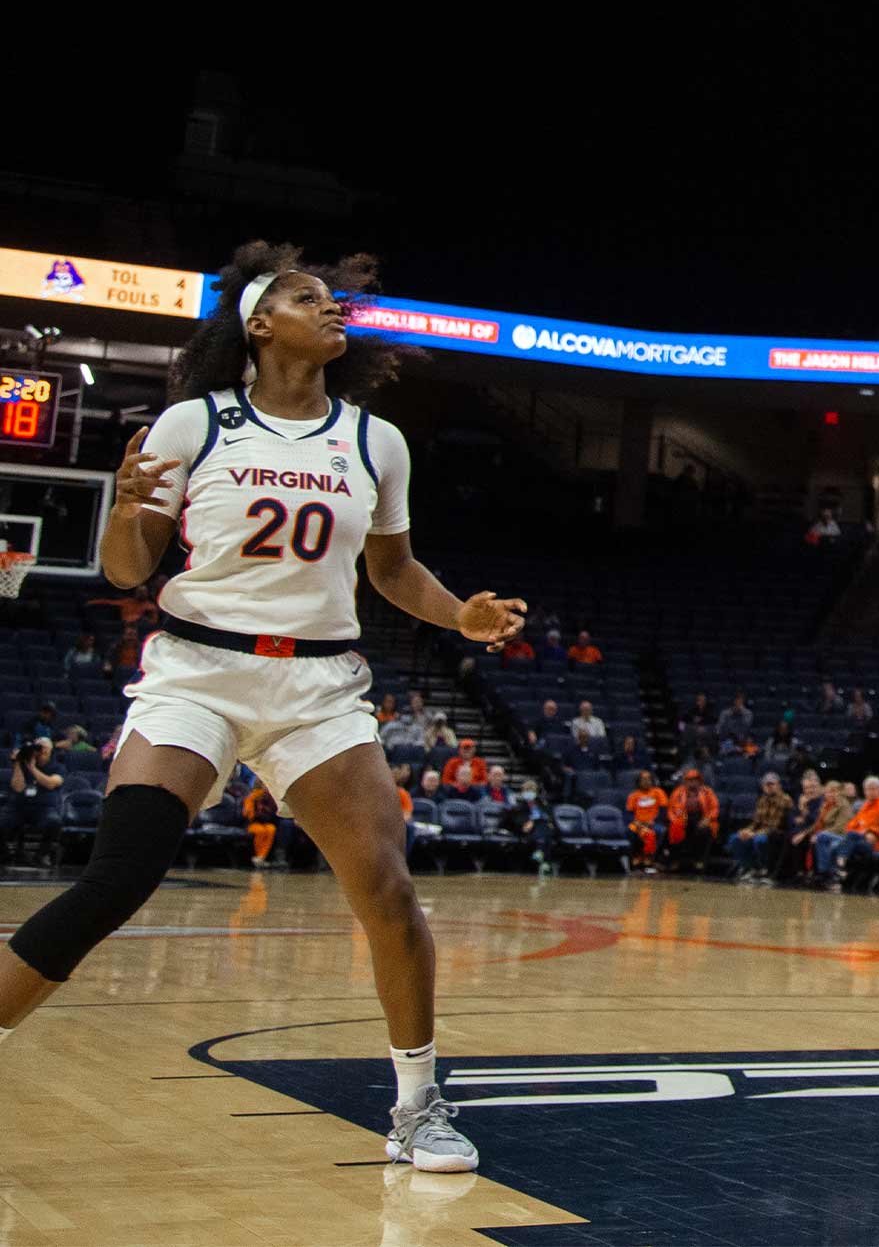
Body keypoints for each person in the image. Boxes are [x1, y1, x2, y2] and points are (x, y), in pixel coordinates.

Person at [0, 244, 526, 1177]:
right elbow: (129, 569)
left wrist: (462, 614)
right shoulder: (190, 425)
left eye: (335, 301)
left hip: (318, 689)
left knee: (390, 893)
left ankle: (416, 1108)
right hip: (197, 672)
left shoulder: (376, 440)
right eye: (306, 297)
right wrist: (124, 513)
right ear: (257, 322)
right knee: (118, 876)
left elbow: (392, 570)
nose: (333, 310)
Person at [730, 773, 791, 884]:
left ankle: (764, 870)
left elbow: (774, 825)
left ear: (778, 785)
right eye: (766, 785)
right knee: (736, 838)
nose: (769, 787)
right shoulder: (762, 799)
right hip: (761, 831)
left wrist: (754, 834)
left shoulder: (784, 800)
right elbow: (756, 822)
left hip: (777, 834)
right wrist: (747, 830)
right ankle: (749, 868)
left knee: (759, 840)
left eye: (772, 784)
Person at [666, 766, 719, 875]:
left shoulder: (707, 791)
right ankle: (675, 861)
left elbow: (715, 808)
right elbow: (670, 810)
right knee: (675, 829)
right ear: (685, 781)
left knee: (704, 831)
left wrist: (707, 819)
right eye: (689, 780)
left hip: (702, 818)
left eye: (695, 780)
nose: (692, 782)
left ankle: (700, 861)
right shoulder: (678, 792)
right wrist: (676, 820)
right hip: (682, 818)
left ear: (700, 781)